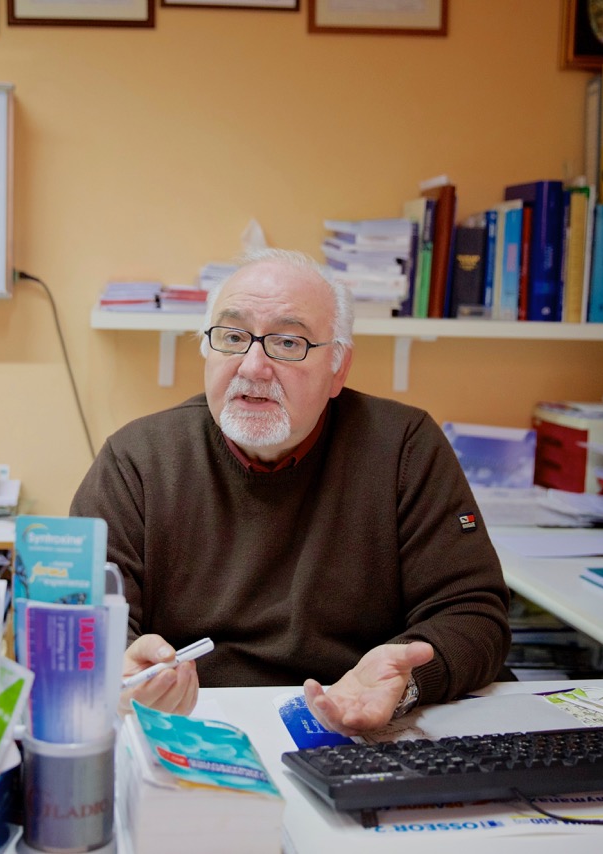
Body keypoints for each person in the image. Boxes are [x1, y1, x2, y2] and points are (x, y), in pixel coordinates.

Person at [70, 248, 511, 735]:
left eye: (287, 342)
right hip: (197, 727)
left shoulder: (404, 447)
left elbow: (473, 613)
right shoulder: (136, 459)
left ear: (338, 368)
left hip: (359, 729)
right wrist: (117, 665)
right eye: (233, 337)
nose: (253, 366)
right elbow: (78, 609)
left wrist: (406, 683)